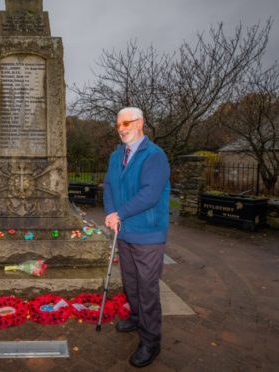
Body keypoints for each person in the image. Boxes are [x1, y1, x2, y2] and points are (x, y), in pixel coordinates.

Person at [103, 107, 170, 368]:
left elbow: (150, 194)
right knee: (130, 281)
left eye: (127, 122)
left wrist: (120, 212)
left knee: (147, 288)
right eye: (118, 124)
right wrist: (111, 213)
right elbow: (109, 184)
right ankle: (135, 317)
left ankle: (151, 340)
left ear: (140, 123)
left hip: (148, 233)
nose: (121, 128)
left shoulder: (155, 156)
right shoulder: (115, 155)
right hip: (124, 230)